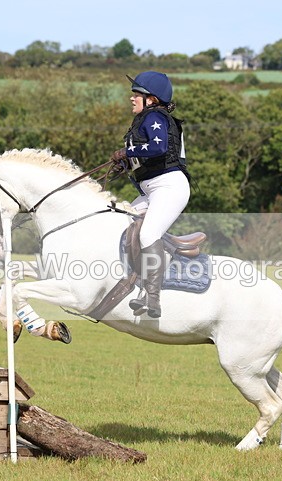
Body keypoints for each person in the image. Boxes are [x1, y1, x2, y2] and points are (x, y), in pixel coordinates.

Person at [112, 71, 191, 318]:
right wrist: (125, 163)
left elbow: (158, 148)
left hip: (170, 187)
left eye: (138, 94)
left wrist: (128, 152)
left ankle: (152, 297)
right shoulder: (146, 118)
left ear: (152, 99)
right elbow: (144, 157)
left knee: (148, 233)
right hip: (153, 188)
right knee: (118, 222)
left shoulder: (155, 116)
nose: (132, 98)